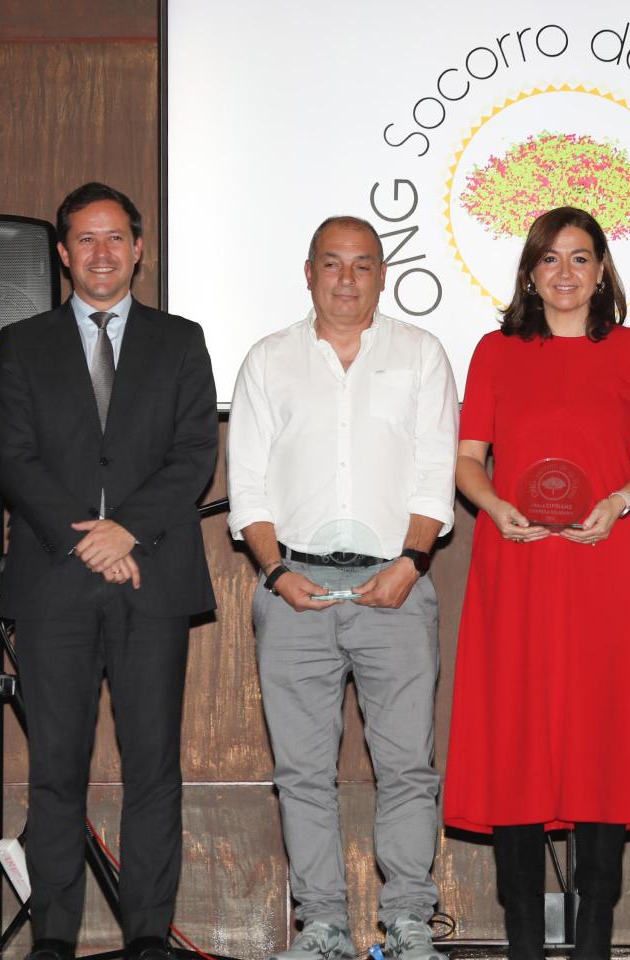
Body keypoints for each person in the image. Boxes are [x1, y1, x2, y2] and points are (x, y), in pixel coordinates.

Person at [0, 182, 219, 960]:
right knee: (55, 767)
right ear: (62, 253)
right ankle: (54, 935)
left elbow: (194, 455)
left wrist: (127, 531)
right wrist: (86, 537)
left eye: (115, 238)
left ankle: (147, 934)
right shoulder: (20, 342)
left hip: (152, 577)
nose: (101, 253)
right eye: (85, 240)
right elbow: (12, 458)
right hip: (54, 584)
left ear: (139, 249)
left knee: (153, 765)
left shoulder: (180, 339)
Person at [443, 206, 630, 960]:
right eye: (550, 259)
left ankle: (594, 943)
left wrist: (618, 501)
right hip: (515, 565)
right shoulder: (494, 351)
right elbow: (467, 460)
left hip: (601, 564)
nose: (566, 273)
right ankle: (522, 941)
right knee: (514, 735)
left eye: (581, 258)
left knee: (601, 737)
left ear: (603, 269)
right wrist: (494, 506)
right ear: (529, 272)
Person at [228, 215, 458, 960]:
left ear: (383, 274)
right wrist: (275, 573)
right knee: (301, 772)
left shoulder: (420, 355)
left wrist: (411, 565)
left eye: (363, 265)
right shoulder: (269, 360)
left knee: (407, 768)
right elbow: (250, 489)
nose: (347, 279)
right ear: (308, 272)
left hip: (396, 584)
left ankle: (408, 923)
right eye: (333, 264)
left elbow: (434, 475)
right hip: (293, 589)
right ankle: (322, 926)